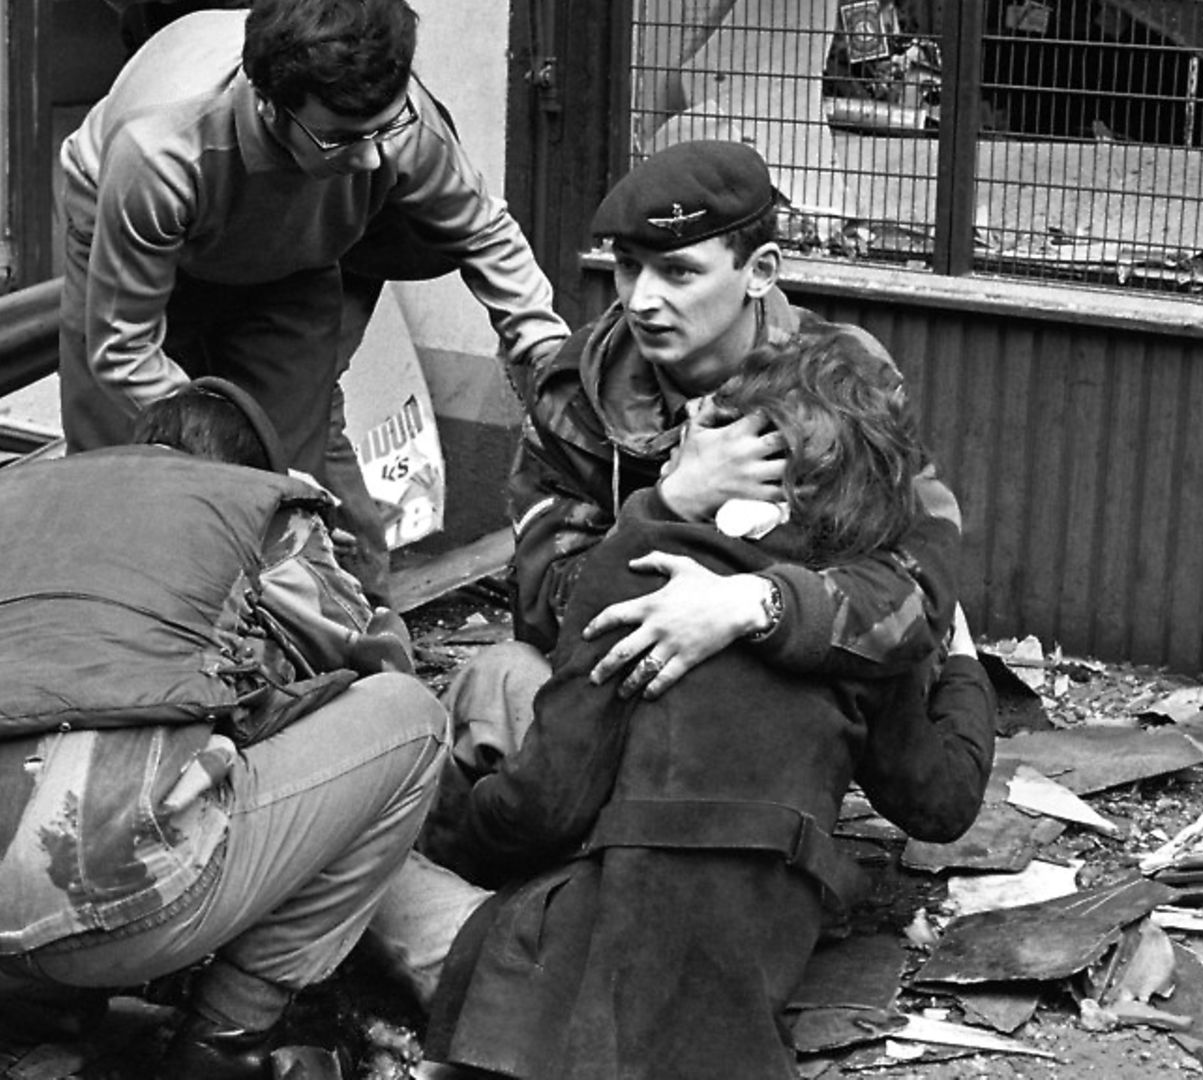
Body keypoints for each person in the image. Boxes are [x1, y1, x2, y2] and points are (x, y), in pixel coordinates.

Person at [0, 382, 447, 1080]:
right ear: (246, 471)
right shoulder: (253, 508)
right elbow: (368, 662)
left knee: (25, 939)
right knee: (412, 720)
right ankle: (225, 1044)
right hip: (115, 889)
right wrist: (332, 558)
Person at [421, 335, 996, 1079]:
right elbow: (944, 800)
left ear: (752, 468)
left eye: (714, 428)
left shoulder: (645, 570)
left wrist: (451, 829)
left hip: (590, 985)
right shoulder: (863, 628)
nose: (689, 433)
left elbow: (546, 807)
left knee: (380, 855)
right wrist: (960, 659)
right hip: (746, 985)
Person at [438, 139, 962, 796]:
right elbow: (543, 610)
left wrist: (748, 604)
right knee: (506, 683)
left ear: (760, 270)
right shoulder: (577, 395)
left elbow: (918, 591)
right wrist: (671, 504)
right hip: (635, 682)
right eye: (629, 268)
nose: (643, 300)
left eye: (679, 272)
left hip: (785, 692)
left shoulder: (841, 378)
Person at [56, 0, 569, 604]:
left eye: (387, 127)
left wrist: (543, 349)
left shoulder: (393, 123)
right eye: (346, 138)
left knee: (293, 477)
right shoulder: (159, 152)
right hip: (139, 229)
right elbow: (125, 349)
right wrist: (238, 465)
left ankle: (291, 643)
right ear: (270, 105)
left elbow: (483, 233)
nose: (378, 159)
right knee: (125, 471)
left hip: (294, 259)